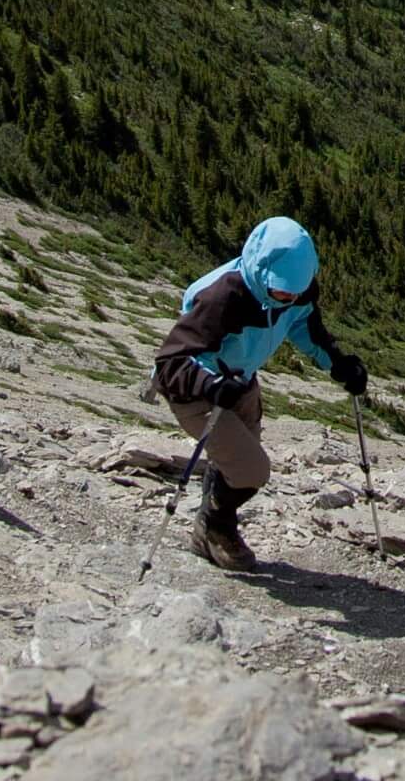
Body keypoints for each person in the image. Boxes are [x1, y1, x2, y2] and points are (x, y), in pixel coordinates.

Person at [151, 216, 368, 571]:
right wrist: (211, 385)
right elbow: (171, 362)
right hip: (197, 392)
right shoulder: (223, 296)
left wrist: (339, 364)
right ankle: (216, 528)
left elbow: (304, 324)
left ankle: (209, 531)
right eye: (283, 291)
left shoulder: (295, 289)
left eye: (296, 290)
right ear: (262, 269)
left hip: (240, 383)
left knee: (235, 466)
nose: (290, 298)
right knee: (252, 471)